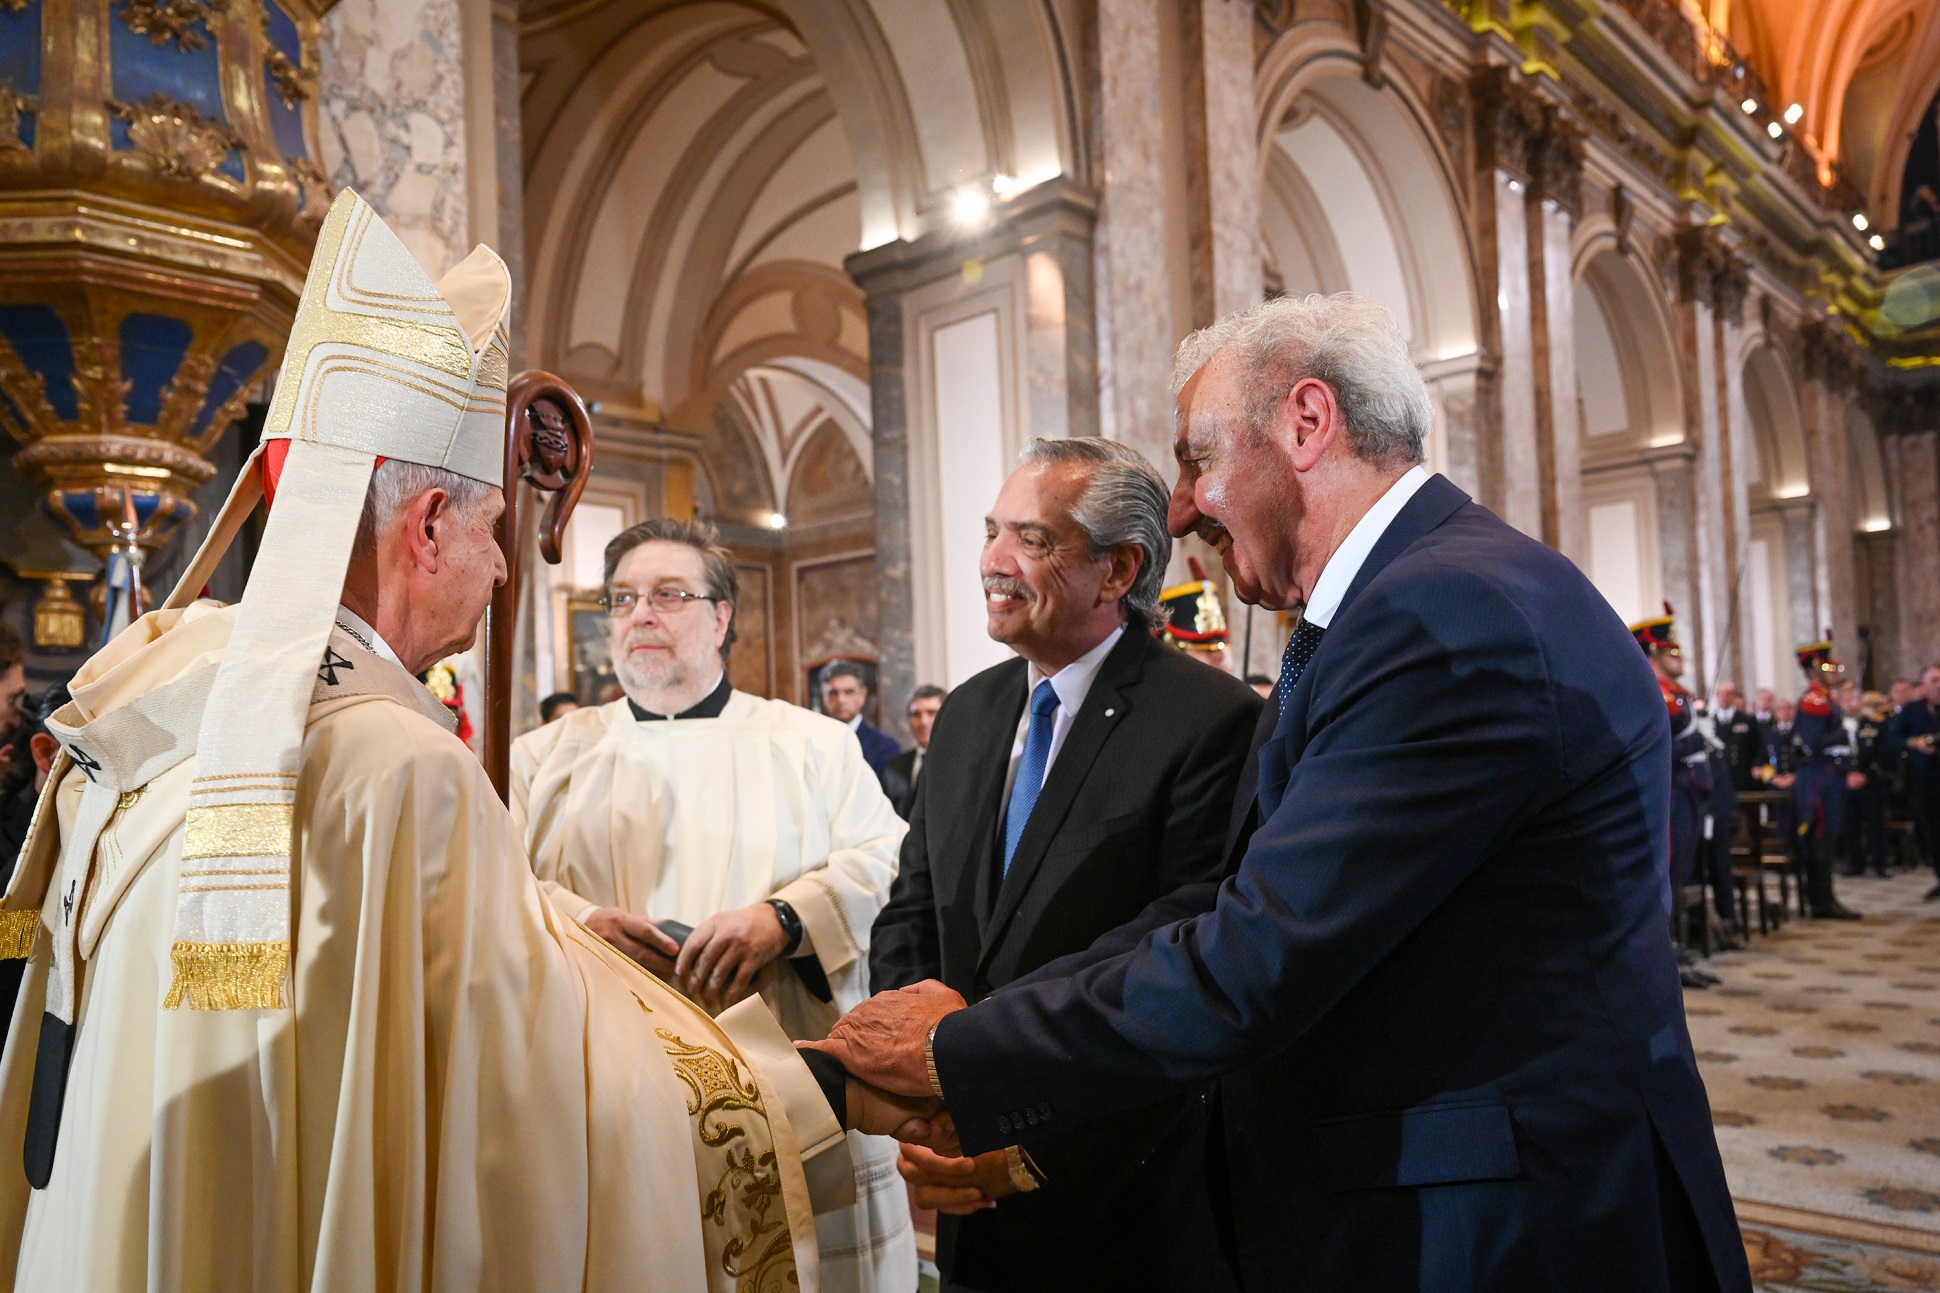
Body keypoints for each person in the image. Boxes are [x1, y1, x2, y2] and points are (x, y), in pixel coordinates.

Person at [0, 189, 933, 1291]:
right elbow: (525, 1124)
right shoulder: (397, 769)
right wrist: (816, 1088)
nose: (502, 572)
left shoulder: (169, 703)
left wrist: (568, 920)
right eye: (493, 531)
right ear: (430, 525)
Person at [811, 292, 1750, 1293]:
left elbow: (1257, 956)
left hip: (1497, 1225)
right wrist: (976, 1043)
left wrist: (965, 1052)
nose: (1180, 509)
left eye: (1196, 460)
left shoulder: (1445, 613)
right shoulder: (1396, 607)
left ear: (1304, 424)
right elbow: (1221, 903)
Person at [871, 437, 1262, 1293]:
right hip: (969, 1202)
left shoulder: (1210, 721)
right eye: (990, 531)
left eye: (1032, 540)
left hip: (1125, 1209)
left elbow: (1185, 965)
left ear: (1117, 569)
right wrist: (922, 1098)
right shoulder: (970, 711)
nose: (992, 562)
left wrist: (1024, 1150)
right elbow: (912, 910)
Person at [511, 516, 916, 1293]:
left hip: (784, 1080)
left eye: (669, 594)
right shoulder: (542, 757)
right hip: (606, 1085)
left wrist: (788, 919)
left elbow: (886, 859)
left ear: (722, 614)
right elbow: (494, 885)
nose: (641, 616)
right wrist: (583, 924)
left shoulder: (814, 745)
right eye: (622, 599)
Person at [1630, 609, 1731, 974]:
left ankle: (1678, 944)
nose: (1679, 658)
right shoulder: (1653, 693)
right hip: (1671, 793)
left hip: (1692, 792)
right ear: (1653, 655)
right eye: (1671, 652)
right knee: (1669, 872)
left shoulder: (1680, 695)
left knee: (1682, 870)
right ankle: (1666, 951)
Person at [1775, 640, 1860, 919]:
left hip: (1827, 775)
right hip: (1819, 778)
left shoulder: (1824, 698)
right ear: (1814, 669)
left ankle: (1824, 897)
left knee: (1826, 837)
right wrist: (1842, 732)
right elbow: (1812, 742)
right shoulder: (1814, 701)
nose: (1833, 671)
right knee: (1821, 836)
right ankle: (1822, 900)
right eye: (1826, 666)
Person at [1888, 664, 1940, 898]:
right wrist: (1916, 743)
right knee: (1931, 831)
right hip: (1923, 780)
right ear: (1924, 684)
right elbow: (1894, 739)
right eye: (1934, 680)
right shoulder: (1912, 710)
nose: (1938, 685)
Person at [822, 660, 901, 787]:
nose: (841, 700)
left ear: (862, 695)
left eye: (848, 692)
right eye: (833, 693)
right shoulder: (812, 742)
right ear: (823, 697)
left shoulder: (885, 747)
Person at [1845, 691, 1893, 879]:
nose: (1850, 704)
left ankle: (1880, 863)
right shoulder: (1838, 725)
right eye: (1846, 700)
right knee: (1850, 825)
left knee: (1876, 824)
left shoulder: (1876, 724)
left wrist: (1866, 775)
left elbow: (1884, 753)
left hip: (1871, 782)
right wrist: (1847, 774)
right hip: (1847, 781)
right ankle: (1855, 863)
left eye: (1853, 700)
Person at [882, 684, 946, 819]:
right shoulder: (894, 766)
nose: (923, 721)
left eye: (932, 713)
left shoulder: (961, 763)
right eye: (916, 714)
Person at [1712, 681, 1771, 793]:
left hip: (1742, 776)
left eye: (1728, 694)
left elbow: (1758, 746)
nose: (1724, 698)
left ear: (1733, 696)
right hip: (1719, 776)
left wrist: (1757, 765)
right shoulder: (1711, 721)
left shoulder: (1747, 720)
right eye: (1721, 694)